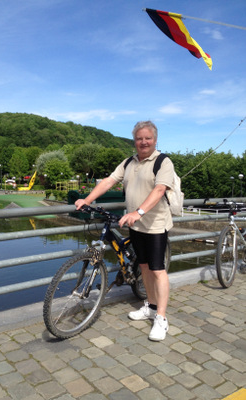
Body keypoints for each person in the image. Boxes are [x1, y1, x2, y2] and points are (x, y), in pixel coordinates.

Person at [75, 120, 174, 341]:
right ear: (134, 141)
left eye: (147, 138)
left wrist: (138, 212)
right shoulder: (129, 162)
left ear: (155, 140)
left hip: (155, 224)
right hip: (135, 225)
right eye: (139, 138)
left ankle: (161, 318)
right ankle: (150, 306)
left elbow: (160, 190)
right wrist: (87, 199)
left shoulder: (163, 161)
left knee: (158, 270)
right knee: (145, 267)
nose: (143, 142)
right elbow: (109, 181)